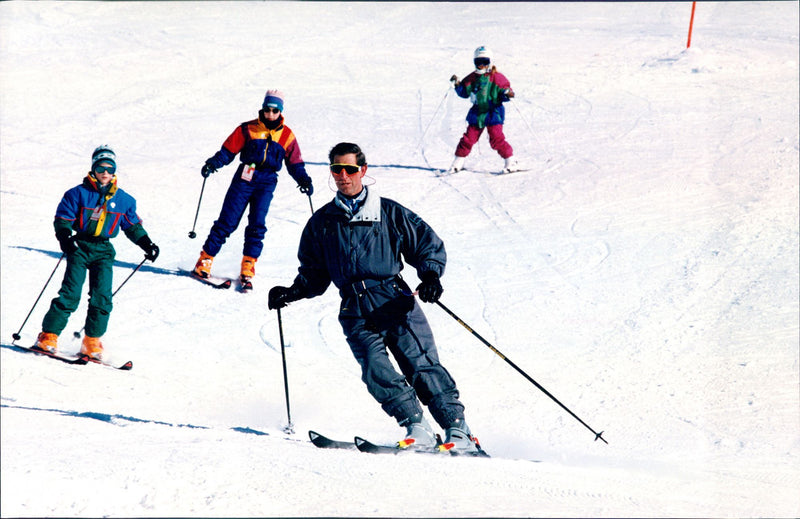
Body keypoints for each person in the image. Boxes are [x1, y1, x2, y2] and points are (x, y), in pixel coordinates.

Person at [268, 142, 481, 454]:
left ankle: (458, 430)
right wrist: (293, 291)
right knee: (375, 370)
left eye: (350, 169)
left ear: (363, 171)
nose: (343, 175)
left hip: (393, 300)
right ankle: (416, 427)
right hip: (354, 308)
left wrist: (431, 275)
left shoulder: (388, 212)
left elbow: (425, 243)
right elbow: (315, 274)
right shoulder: (323, 223)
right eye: (336, 169)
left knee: (421, 365)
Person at [34, 145, 159, 360]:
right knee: (70, 294)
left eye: (110, 169)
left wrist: (147, 244)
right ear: (93, 169)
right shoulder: (78, 194)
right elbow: (63, 218)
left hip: (103, 250)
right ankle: (48, 336)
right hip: (80, 247)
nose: (105, 173)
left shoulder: (124, 200)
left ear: (114, 172)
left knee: (102, 296)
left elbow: (131, 226)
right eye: (101, 168)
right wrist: (65, 238)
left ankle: (92, 340)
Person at [193, 89, 313, 289]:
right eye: (267, 110)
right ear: (263, 109)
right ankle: (204, 261)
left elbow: (295, 163)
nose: (270, 114)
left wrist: (303, 180)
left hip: (267, 181)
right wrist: (213, 164)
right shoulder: (247, 129)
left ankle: (248, 266)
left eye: (275, 111)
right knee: (228, 221)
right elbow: (228, 151)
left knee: (257, 224)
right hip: (245, 176)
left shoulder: (287, 136)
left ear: (280, 112)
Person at [447, 45, 517, 174]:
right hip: (477, 113)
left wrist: (507, 94)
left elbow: (505, 90)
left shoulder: (497, 77)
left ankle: (510, 161)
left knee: (496, 139)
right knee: (469, 138)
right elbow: (464, 92)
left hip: (493, 112)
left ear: (490, 62)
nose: (481, 66)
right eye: (478, 62)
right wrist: (457, 84)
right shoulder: (472, 78)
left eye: (485, 62)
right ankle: (458, 161)